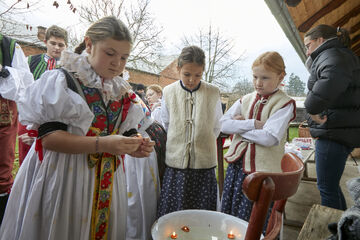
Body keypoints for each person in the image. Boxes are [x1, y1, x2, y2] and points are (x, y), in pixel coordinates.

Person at [0, 16, 155, 240]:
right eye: (110, 53)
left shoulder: (122, 92)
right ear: (89, 44)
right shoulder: (63, 82)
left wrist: (135, 145)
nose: (117, 63)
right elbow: (49, 139)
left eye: (124, 57)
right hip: (65, 178)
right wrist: (102, 144)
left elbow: (124, 131)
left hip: (108, 181)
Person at [220, 52, 296, 225]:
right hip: (237, 168)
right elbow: (223, 125)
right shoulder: (245, 99)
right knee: (231, 214)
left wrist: (238, 128)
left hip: (263, 171)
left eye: (265, 78)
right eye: (255, 77)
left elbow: (269, 137)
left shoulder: (284, 104)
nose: (258, 83)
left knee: (253, 218)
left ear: (280, 76)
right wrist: (252, 123)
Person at [157, 45, 223, 217]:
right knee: (175, 214)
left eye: (197, 75)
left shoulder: (213, 92)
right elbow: (167, 123)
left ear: (203, 72)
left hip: (204, 165)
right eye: (187, 74)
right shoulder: (169, 92)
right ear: (178, 69)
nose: (192, 80)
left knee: (200, 216)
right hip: (176, 165)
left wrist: (200, 141)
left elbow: (217, 126)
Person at [303, 24, 360, 210]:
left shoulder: (333, 56)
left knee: (326, 188)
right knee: (331, 187)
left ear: (320, 40)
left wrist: (311, 108)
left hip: (333, 131)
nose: (307, 51)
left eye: (308, 45)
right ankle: (341, 226)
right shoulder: (339, 55)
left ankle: (335, 231)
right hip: (337, 129)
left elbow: (327, 84)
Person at [18, 25, 68, 165]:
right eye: (53, 43)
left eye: (60, 45)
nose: (56, 48)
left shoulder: (67, 68)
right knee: (26, 157)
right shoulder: (29, 61)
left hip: (54, 119)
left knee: (48, 160)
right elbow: (21, 88)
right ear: (45, 42)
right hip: (28, 116)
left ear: (66, 46)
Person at [0, 33, 33, 225]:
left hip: (4, 113)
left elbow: (24, 85)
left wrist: (3, 70)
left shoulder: (10, 46)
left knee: (3, 168)